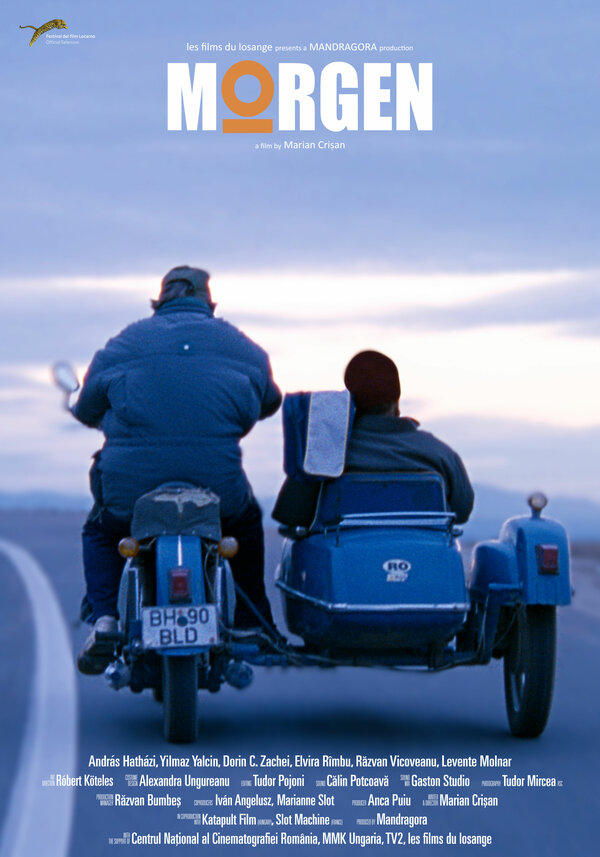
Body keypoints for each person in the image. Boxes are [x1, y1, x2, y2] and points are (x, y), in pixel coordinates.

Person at [73, 266, 282, 673]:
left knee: (101, 530)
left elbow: (85, 409)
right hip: (217, 488)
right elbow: (270, 402)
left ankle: (106, 618)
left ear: (160, 300)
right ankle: (252, 622)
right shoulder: (242, 346)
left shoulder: (124, 343)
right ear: (208, 301)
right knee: (244, 523)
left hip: (131, 491)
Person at [272, 350, 474, 527]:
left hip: (344, 556)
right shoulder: (439, 455)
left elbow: (290, 515)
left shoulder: (325, 455)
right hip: (424, 555)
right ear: (396, 401)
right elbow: (462, 512)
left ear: (349, 401)